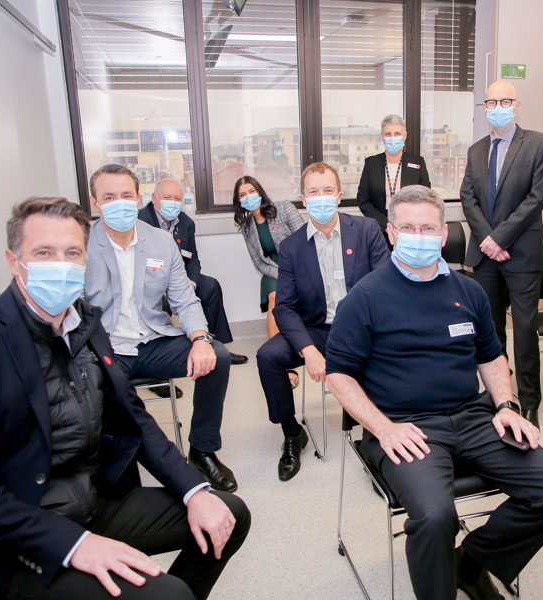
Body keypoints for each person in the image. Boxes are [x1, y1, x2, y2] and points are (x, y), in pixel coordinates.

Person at [0, 197, 249, 600]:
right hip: (6, 537)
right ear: (14, 260)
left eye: (72, 253)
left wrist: (195, 491)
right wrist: (75, 544)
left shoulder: (84, 323)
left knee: (229, 515)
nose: (61, 264)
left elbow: (134, 417)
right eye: (43, 253)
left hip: (86, 500)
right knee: (165, 594)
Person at [326, 186, 543, 600]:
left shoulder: (469, 291)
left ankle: (469, 564)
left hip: (472, 416)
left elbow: (492, 356)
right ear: (391, 232)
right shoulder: (365, 297)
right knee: (434, 515)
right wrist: (384, 429)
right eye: (407, 227)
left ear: (444, 234)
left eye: (427, 227)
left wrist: (506, 405)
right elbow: (339, 375)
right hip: (404, 427)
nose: (418, 234)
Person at [84, 164, 237, 493]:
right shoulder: (82, 244)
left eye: (126, 195)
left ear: (138, 198)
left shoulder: (160, 241)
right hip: (106, 348)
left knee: (218, 357)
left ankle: (203, 450)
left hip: (153, 339)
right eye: (109, 197)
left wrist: (199, 339)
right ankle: (122, 466)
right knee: (102, 390)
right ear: (95, 202)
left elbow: (185, 300)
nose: (119, 203)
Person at [256, 162, 389, 481]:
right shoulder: (291, 247)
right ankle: (291, 433)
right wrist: (307, 350)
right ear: (303, 199)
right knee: (268, 357)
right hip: (316, 330)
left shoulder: (368, 230)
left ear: (339, 195)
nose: (321, 197)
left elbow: (387, 286)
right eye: (313, 191)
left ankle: (378, 435)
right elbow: (284, 307)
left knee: (397, 353)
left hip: (362, 329)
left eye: (328, 190)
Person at [460, 80, 543, 429]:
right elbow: (467, 197)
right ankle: (501, 397)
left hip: (522, 253)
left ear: (516, 105)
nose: (497, 107)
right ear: (485, 108)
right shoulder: (476, 150)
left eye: (505, 100)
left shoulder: (538, 144)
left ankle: (529, 401)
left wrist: (499, 238)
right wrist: (488, 240)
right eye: (491, 102)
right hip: (486, 254)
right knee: (489, 330)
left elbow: (537, 197)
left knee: (526, 329)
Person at [139, 178, 248, 366]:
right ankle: (156, 363)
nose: (172, 202)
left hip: (180, 279)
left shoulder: (186, 222)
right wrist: (161, 285)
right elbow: (136, 264)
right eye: (167, 197)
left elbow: (193, 259)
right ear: (154, 199)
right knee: (157, 300)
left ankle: (216, 348)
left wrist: (192, 283)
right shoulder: (140, 222)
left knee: (210, 286)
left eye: (177, 198)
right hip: (151, 282)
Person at [232, 175, 305, 388]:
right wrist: (279, 274)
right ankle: (281, 360)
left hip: (298, 266)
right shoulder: (246, 226)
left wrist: (291, 271)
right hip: (272, 271)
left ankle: (293, 351)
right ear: (238, 200)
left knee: (286, 301)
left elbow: (305, 241)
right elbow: (258, 262)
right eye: (242, 194)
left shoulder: (283, 208)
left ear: (260, 192)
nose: (248, 197)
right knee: (275, 298)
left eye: (251, 191)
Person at [357, 114, 431, 249]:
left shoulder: (417, 163)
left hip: (410, 230)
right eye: (388, 134)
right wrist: (385, 225)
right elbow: (363, 200)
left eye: (397, 133)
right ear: (382, 136)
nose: (393, 138)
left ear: (405, 135)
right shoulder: (371, 163)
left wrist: (407, 225)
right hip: (379, 230)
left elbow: (426, 198)